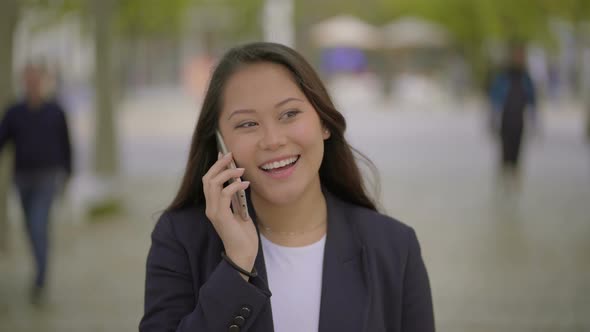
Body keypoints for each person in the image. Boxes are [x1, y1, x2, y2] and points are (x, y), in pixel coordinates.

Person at [140, 42, 434, 332]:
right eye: (246, 124)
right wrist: (237, 266)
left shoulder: (395, 247)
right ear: (220, 142)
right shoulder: (180, 238)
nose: (272, 140)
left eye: (290, 114)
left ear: (324, 122)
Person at [0, 63, 72, 304]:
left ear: (41, 82)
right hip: (22, 180)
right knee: (30, 229)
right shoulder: (14, 113)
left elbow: (66, 144)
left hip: (47, 178)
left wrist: (68, 174)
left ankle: (40, 279)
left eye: (35, 80)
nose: (32, 84)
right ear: (23, 82)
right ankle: (39, 267)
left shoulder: (55, 112)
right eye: (27, 80)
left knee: (39, 225)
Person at [488, 43, 537, 180]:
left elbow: (532, 100)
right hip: (505, 118)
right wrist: (492, 118)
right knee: (505, 151)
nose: (519, 58)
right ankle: (503, 180)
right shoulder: (504, 76)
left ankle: (514, 182)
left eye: (521, 55)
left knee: (517, 152)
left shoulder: (525, 77)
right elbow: (495, 97)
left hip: (519, 119)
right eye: (517, 55)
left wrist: (534, 121)